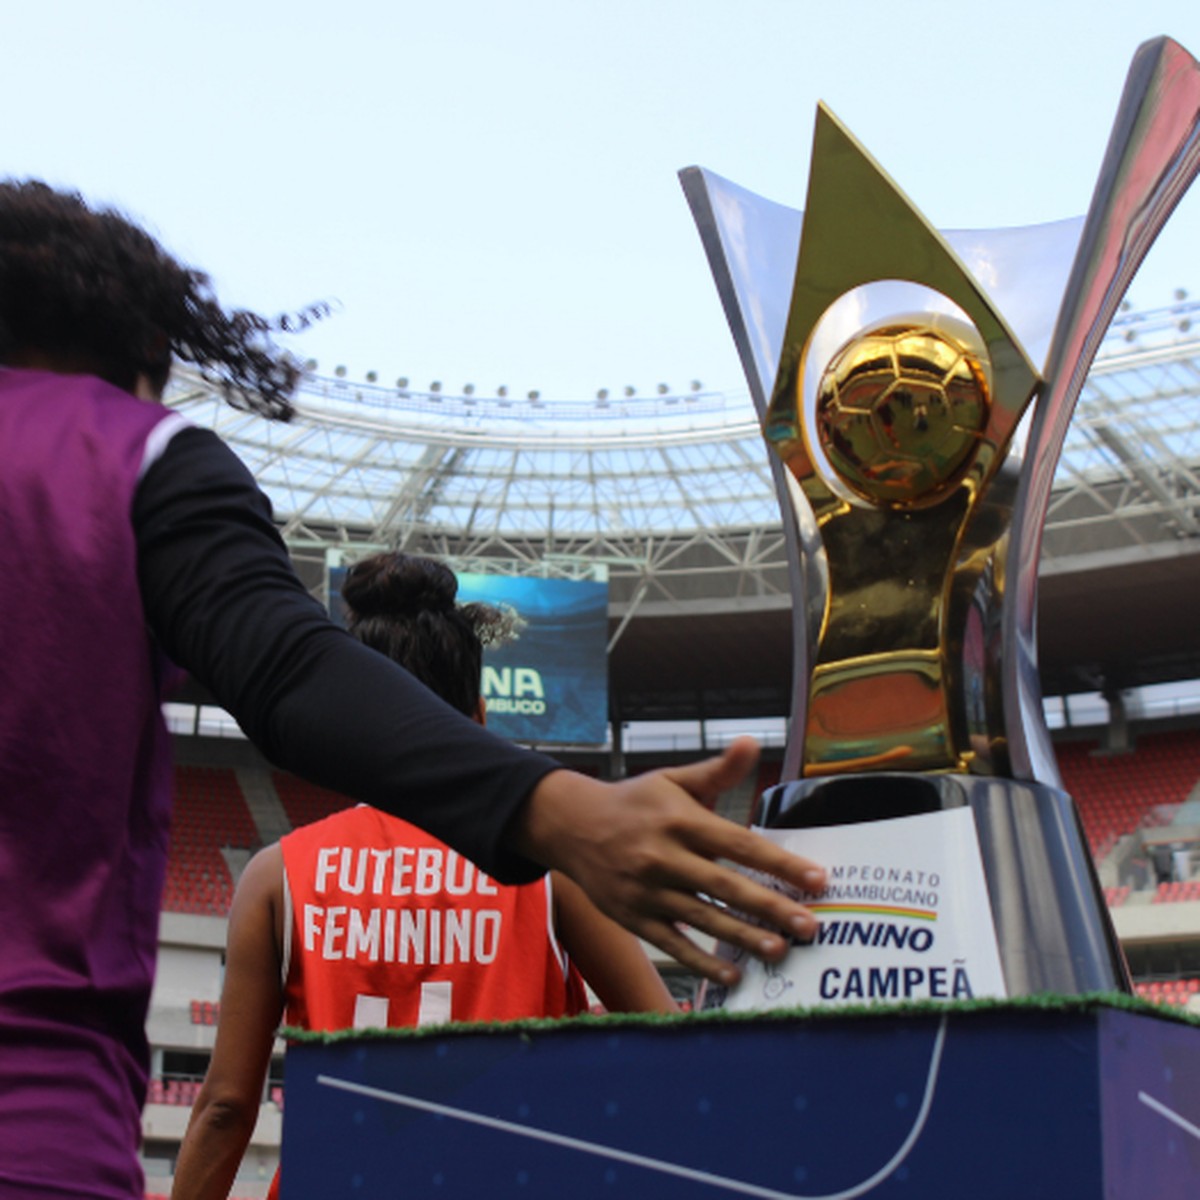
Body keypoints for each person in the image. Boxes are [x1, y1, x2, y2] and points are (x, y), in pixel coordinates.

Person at [0, 178, 826, 1200]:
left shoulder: (278, 877)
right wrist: (552, 805)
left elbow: (225, 1103)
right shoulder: (125, 455)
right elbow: (283, 664)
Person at [171, 552, 677, 1200]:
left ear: (347, 725)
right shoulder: (550, 869)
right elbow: (675, 1049)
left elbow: (225, 1109)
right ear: (481, 716)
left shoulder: (275, 878)